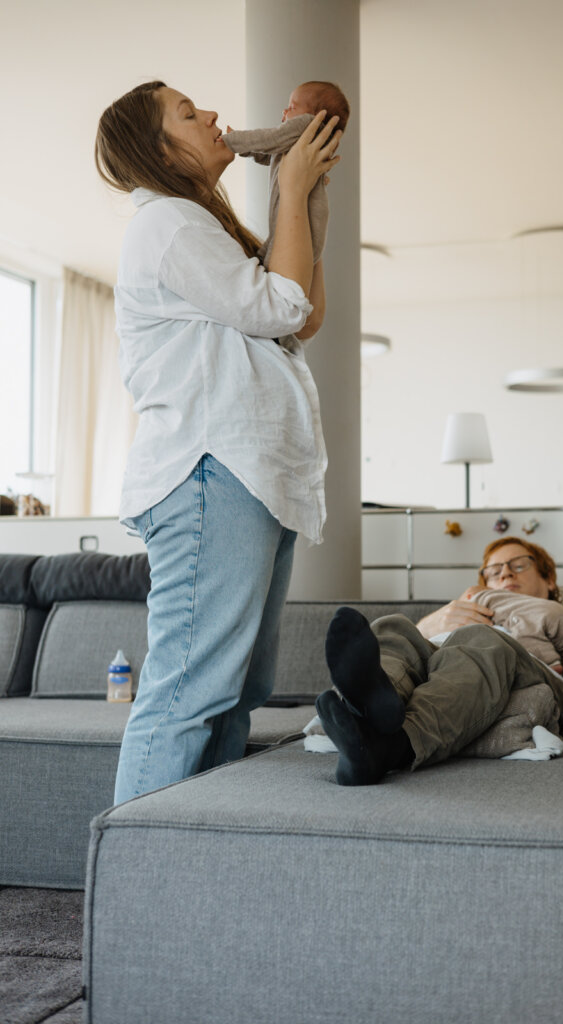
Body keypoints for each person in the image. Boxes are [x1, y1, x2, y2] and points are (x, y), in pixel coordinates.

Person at [95, 81, 342, 804]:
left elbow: (303, 313)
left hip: (248, 477)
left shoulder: (201, 226)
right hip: (212, 472)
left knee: (234, 692)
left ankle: (194, 847)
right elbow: (283, 304)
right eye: (186, 112)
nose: (210, 115)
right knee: (189, 691)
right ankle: (141, 862)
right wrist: (289, 188)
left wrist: (301, 193)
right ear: (157, 148)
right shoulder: (167, 223)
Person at [315, 537, 563, 786]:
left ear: (549, 579)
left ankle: (392, 745)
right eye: (494, 571)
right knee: (392, 629)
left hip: (520, 670)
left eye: (519, 565)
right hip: (445, 661)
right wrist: (430, 624)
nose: (505, 573)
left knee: (482, 639)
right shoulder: (460, 611)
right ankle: (370, 708)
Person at [223, 81, 350, 269]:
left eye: (292, 107)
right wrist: (246, 150)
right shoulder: (301, 145)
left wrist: (232, 140)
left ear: (315, 116)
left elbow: (269, 139)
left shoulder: (306, 124)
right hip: (305, 233)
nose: (284, 111)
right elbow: (270, 154)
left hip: (303, 231)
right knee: (265, 256)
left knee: (269, 259)